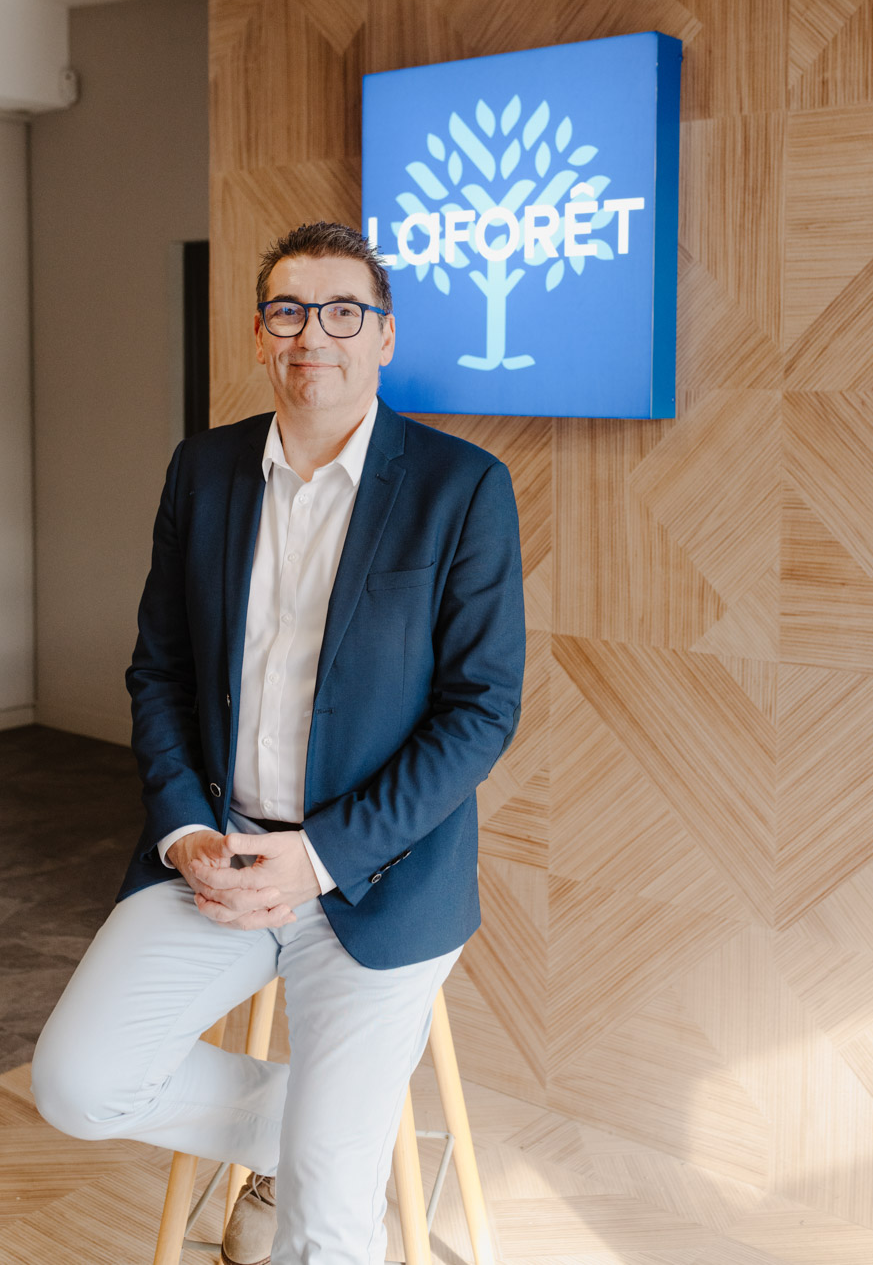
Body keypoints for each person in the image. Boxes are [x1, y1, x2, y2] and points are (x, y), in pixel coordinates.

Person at [31, 220, 526, 1265]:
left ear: (384, 336)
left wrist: (323, 856)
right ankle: (322, 1131)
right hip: (219, 856)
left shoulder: (462, 487)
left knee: (326, 1230)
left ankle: (331, 1149)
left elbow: (481, 710)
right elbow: (159, 672)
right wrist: (183, 834)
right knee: (79, 1084)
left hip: (381, 879)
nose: (315, 335)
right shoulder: (202, 470)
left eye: (344, 312)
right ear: (260, 334)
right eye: (290, 311)